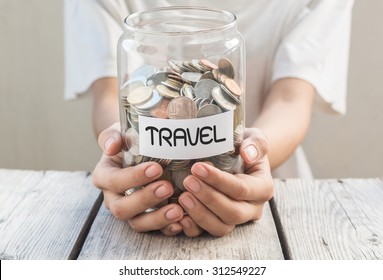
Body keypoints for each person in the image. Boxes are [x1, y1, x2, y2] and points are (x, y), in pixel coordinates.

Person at [64, 0, 354, 237]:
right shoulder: (128, 37)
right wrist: (120, 148)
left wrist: (251, 157)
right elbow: (110, 97)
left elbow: (291, 100)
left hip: (264, 193)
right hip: (147, 187)